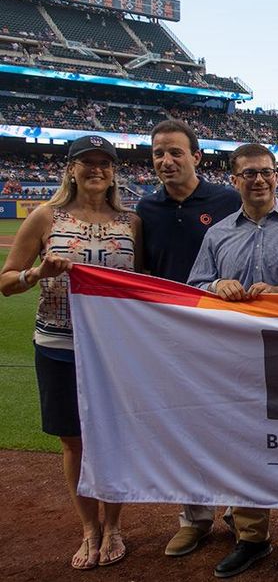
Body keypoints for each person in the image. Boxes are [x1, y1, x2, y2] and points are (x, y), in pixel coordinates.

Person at [0, 135, 141, 570]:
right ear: (71, 168)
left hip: (115, 347)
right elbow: (6, 282)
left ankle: (114, 525)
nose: (96, 169)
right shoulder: (46, 216)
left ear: (114, 171)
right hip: (59, 343)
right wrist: (37, 272)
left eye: (105, 163)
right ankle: (89, 527)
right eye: (87, 162)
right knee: (73, 440)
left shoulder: (132, 221)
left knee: (112, 438)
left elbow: (145, 282)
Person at [187, 143, 278, 580]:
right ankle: (251, 537)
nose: (259, 179)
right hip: (234, 356)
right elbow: (194, 287)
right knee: (243, 443)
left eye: (265, 171)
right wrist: (216, 284)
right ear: (234, 179)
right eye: (249, 173)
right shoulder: (217, 233)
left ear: (276, 176)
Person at [136, 119, 241, 558]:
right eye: (159, 152)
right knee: (185, 422)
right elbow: (139, 273)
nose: (166, 160)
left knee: (237, 421)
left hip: (223, 330)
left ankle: (241, 509)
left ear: (197, 156)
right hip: (171, 333)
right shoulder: (146, 208)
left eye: (175, 152)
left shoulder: (226, 198)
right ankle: (193, 517)